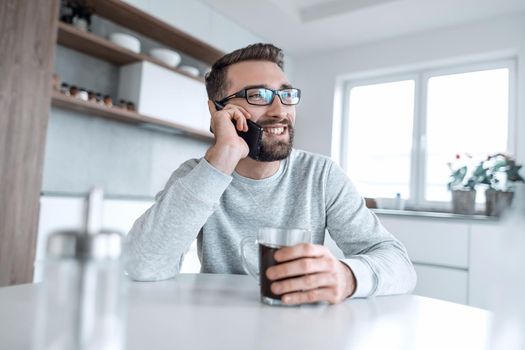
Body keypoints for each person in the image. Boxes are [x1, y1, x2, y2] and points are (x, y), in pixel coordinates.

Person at [126, 43, 416, 305]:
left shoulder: (321, 175)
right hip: (215, 327)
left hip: (299, 327)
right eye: (259, 95)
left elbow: (400, 265)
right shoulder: (197, 176)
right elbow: (142, 264)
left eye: (286, 94)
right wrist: (222, 159)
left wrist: (347, 276)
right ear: (217, 111)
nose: (280, 110)